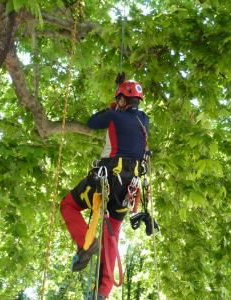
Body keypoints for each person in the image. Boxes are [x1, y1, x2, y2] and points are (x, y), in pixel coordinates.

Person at [60, 74, 149, 300]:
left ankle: (87, 244)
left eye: (118, 99)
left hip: (107, 178)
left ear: (122, 101)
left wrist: (112, 107)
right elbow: (126, 125)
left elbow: (93, 121)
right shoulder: (144, 120)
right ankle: (103, 292)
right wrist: (118, 91)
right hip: (128, 186)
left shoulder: (114, 116)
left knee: (68, 205)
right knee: (112, 234)